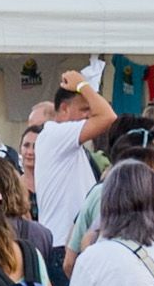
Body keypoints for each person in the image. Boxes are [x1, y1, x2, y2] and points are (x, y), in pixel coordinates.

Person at [29, 75, 122, 250]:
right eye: (84, 109)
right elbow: (108, 116)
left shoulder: (68, 144)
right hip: (62, 244)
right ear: (64, 109)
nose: (89, 115)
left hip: (68, 242)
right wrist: (82, 85)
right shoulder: (54, 134)